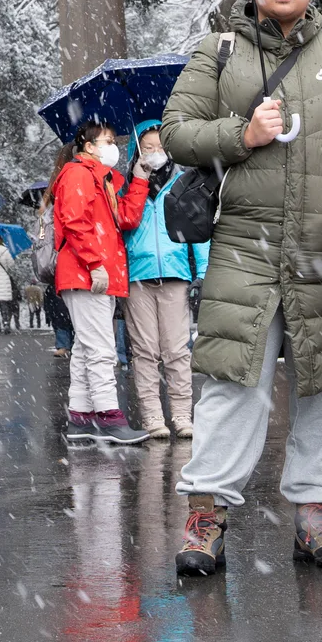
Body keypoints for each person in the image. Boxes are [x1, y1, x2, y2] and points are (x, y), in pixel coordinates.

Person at [160, 0, 322, 576]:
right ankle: (207, 514)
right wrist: (243, 134)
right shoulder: (219, 52)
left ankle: (317, 511)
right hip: (243, 247)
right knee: (233, 383)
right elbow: (176, 132)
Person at [51, 121, 152, 445]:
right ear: (89, 146)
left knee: (85, 348)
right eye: (108, 141)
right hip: (87, 274)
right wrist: (95, 264)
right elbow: (75, 222)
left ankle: (80, 419)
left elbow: (125, 218)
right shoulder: (79, 174)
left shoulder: (100, 180)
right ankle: (110, 418)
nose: (114, 147)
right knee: (101, 350)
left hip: (93, 274)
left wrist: (139, 177)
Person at [122, 120, 209, 440]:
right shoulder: (126, 187)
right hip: (138, 280)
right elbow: (121, 227)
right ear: (136, 151)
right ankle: (152, 417)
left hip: (176, 276)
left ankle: (183, 416)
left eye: (161, 147)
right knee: (145, 352)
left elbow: (198, 233)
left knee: (176, 350)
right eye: (148, 148)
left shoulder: (182, 184)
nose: (155, 153)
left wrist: (201, 273)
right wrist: (138, 182)